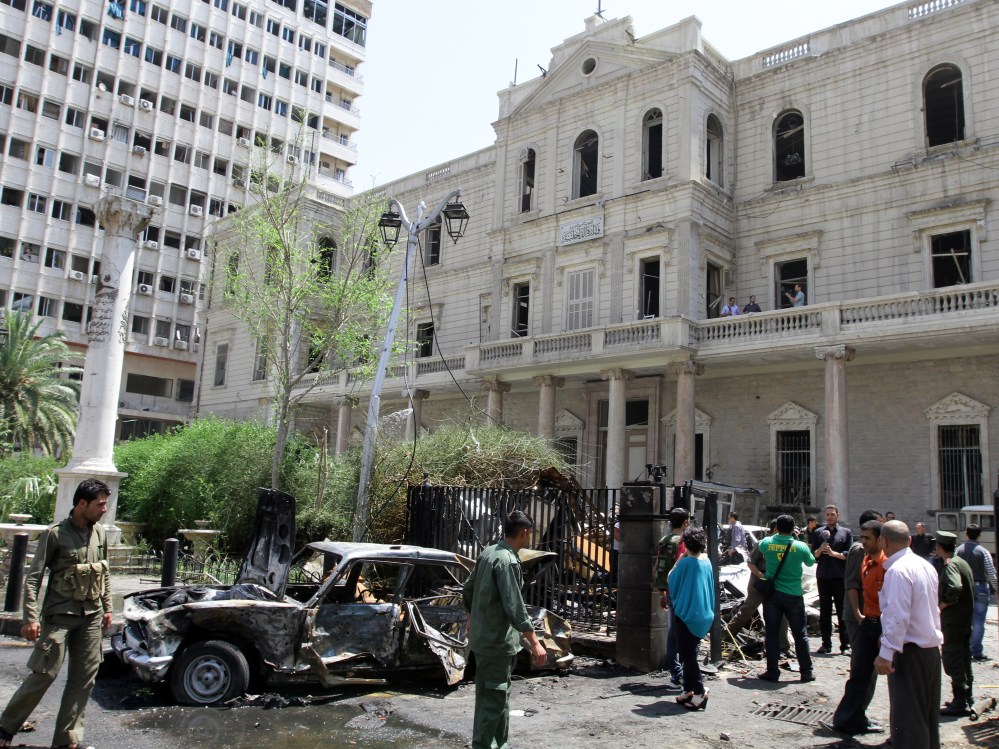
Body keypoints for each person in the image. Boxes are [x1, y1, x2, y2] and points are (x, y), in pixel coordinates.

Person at [0, 479, 113, 749]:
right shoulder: (55, 534)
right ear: (82, 504)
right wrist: (30, 617)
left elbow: (104, 572)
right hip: (60, 616)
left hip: (91, 615)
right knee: (44, 673)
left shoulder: (100, 533)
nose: (104, 510)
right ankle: (5, 727)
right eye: (100, 504)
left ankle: (67, 739)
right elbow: (33, 578)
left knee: (84, 678)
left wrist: (108, 608)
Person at [462, 510, 547, 749]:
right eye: (530, 533)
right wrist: (535, 641)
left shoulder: (488, 553)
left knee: (495, 700)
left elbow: (467, 590)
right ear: (524, 532)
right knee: (493, 702)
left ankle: (499, 744)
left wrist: (471, 618)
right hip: (496, 642)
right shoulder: (508, 561)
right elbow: (515, 606)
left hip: (485, 640)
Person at [874, 520, 943, 749]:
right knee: (927, 718)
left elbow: (897, 616)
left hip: (910, 652)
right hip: (930, 651)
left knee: (909, 722)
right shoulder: (925, 565)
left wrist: (886, 652)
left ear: (883, 541)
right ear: (910, 540)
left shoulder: (898, 571)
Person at [825, 519, 887, 736]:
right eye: (862, 537)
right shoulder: (864, 558)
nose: (863, 542)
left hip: (879, 624)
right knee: (861, 674)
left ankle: (855, 717)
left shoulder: (887, 564)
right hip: (865, 622)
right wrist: (859, 615)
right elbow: (852, 585)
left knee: (868, 674)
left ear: (882, 539)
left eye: (867, 538)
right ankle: (848, 719)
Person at [754, 514, 816, 683]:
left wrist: (777, 535)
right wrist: (795, 537)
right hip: (794, 595)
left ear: (777, 528)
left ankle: (772, 672)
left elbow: (761, 546)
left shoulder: (768, 542)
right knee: (800, 634)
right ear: (793, 528)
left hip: (773, 595)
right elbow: (811, 562)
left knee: (772, 634)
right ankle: (806, 671)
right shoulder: (801, 546)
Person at [667, 526, 715, 710]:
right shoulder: (707, 561)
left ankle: (699, 690)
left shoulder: (687, 563)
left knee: (687, 655)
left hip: (688, 615)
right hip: (704, 614)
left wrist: (679, 560)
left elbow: (671, 579)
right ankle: (687, 689)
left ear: (686, 544)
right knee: (690, 653)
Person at [729, 519, 790, 654]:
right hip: (759, 585)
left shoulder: (786, 545)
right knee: (746, 611)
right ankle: (725, 636)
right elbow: (750, 563)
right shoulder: (763, 544)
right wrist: (761, 576)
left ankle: (783, 646)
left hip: (775, 585)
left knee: (782, 615)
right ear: (775, 530)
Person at [937, 530, 975, 716]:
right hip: (964, 620)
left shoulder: (951, 565)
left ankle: (960, 701)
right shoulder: (962, 563)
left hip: (953, 621)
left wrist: (945, 603)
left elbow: (955, 586)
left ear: (939, 547)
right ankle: (967, 697)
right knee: (964, 659)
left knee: (952, 659)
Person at [654, 507, 690, 688]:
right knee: (683, 634)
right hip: (681, 592)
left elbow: (658, 566)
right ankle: (681, 674)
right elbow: (680, 567)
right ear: (685, 522)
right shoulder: (682, 543)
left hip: (668, 591)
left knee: (672, 634)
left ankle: (676, 674)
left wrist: (662, 593)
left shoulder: (664, 540)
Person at [812, 504, 853, 654]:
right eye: (827, 514)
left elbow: (848, 555)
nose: (830, 517)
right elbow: (814, 555)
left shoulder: (845, 532)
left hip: (839, 576)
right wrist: (821, 550)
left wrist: (833, 553)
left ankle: (845, 645)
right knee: (825, 611)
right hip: (823, 576)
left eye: (832, 514)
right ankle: (826, 643)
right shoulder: (818, 532)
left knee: (842, 611)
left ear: (837, 515)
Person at [842, 510, 885, 648]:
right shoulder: (860, 550)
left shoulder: (875, 552)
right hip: (858, 614)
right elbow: (852, 583)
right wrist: (858, 613)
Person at [956, 524, 997, 661]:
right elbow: (991, 572)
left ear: (966, 534)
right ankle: (976, 651)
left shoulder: (959, 551)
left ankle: (964, 649)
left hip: (963, 587)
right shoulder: (983, 552)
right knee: (979, 620)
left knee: (964, 619)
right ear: (979, 535)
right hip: (980, 587)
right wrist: (996, 588)